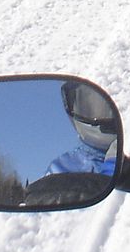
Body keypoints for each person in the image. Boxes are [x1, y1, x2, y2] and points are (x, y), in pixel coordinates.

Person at [22, 80, 119, 208]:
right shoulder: (65, 167)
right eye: (93, 105)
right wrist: (110, 177)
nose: (108, 114)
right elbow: (49, 202)